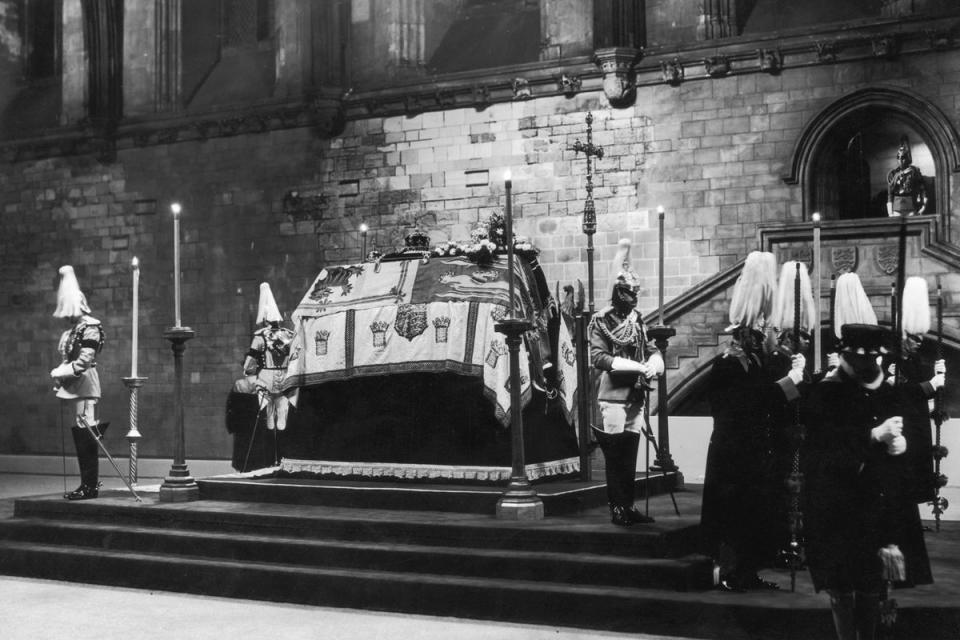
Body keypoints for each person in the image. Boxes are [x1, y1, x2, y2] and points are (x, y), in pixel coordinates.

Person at [803, 323, 940, 640]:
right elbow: (823, 448)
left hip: (878, 501)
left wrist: (901, 447)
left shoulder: (887, 392)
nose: (873, 364)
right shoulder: (826, 392)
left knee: (871, 584)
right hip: (838, 501)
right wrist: (872, 436)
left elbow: (905, 432)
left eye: (876, 357)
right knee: (841, 585)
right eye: (865, 357)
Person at [700, 252, 805, 592]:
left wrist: (794, 383)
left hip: (754, 453)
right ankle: (731, 572)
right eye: (756, 334)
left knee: (754, 514)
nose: (762, 337)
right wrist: (791, 381)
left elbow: (770, 401)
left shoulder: (756, 364)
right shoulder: (728, 366)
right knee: (734, 515)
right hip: (733, 455)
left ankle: (748, 570)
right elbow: (753, 402)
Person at [588, 238, 664, 527]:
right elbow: (599, 357)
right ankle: (616, 507)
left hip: (636, 394)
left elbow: (650, 349)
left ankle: (628, 505)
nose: (632, 297)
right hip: (613, 394)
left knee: (630, 453)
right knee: (615, 454)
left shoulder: (637, 319)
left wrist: (654, 364)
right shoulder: (601, 320)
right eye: (627, 292)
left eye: (634, 292)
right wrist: (634, 366)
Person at [50, 265, 108, 500]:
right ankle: (88, 483)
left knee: (86, 430)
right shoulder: (74, 330)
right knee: (82, 429)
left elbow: (84, 360)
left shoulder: (90, 327)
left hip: (84, 382)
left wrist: (61, 372)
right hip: (75, 384)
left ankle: (90, 485)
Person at [236, 283, 295, 466]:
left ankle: (270, 458)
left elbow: (251, 360)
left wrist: (246, 372)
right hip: (286, 379)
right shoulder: (289, 334)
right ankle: (283, 457)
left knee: (268, 418)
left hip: (266, 380)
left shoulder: (260, 336)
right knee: (283, 417)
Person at [886, 138, 928, 217]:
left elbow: (923, 189)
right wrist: (890, 212)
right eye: (899, 157)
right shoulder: (893, 174)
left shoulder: (915, 171)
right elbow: (890, 194)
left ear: (908, 158)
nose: (901, 160)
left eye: (903, 158)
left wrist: (923, 206)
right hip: (897, 208)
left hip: (911, 207)